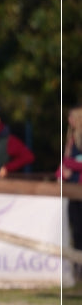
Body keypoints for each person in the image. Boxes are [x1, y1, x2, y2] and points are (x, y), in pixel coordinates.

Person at [61, 107, 82, 281]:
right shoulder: (71, 139)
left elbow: (73, 162)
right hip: (72, 190)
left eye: (72, 116)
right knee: (76, 231)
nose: (69, 119)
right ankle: (78, 267)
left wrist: (69, 163)